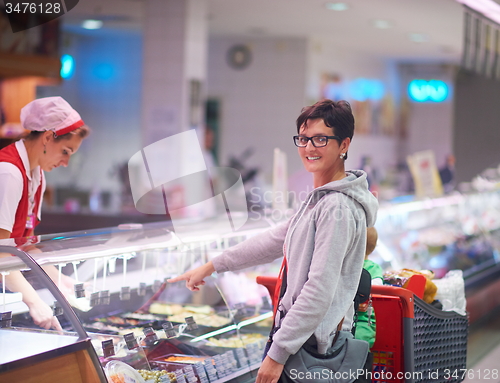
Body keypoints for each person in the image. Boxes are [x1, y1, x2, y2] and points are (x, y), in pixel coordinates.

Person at [168, 99, 378, 383]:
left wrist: (277, 353)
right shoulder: (321, 200)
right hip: (302, 338)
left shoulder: (336, 207)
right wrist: (212, 265)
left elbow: (319, 289)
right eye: (303, 139)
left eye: (320, 139)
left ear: (344, 145)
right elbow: (273, 239)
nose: (309, 148)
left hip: (311, 347)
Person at [0, 96, 90, 330]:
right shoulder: (8, 172)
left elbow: (24, 244)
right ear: (48, 138)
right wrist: (34, 300)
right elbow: (1, 253)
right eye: (65, 151)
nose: (65, 163)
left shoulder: (37, 175)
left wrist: (58, 279)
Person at [354, 226, 383, 348]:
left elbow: (374, 290)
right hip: (364, 323)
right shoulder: (374, 268)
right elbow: (378, 290)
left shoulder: (370, 268)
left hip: (362, 321)